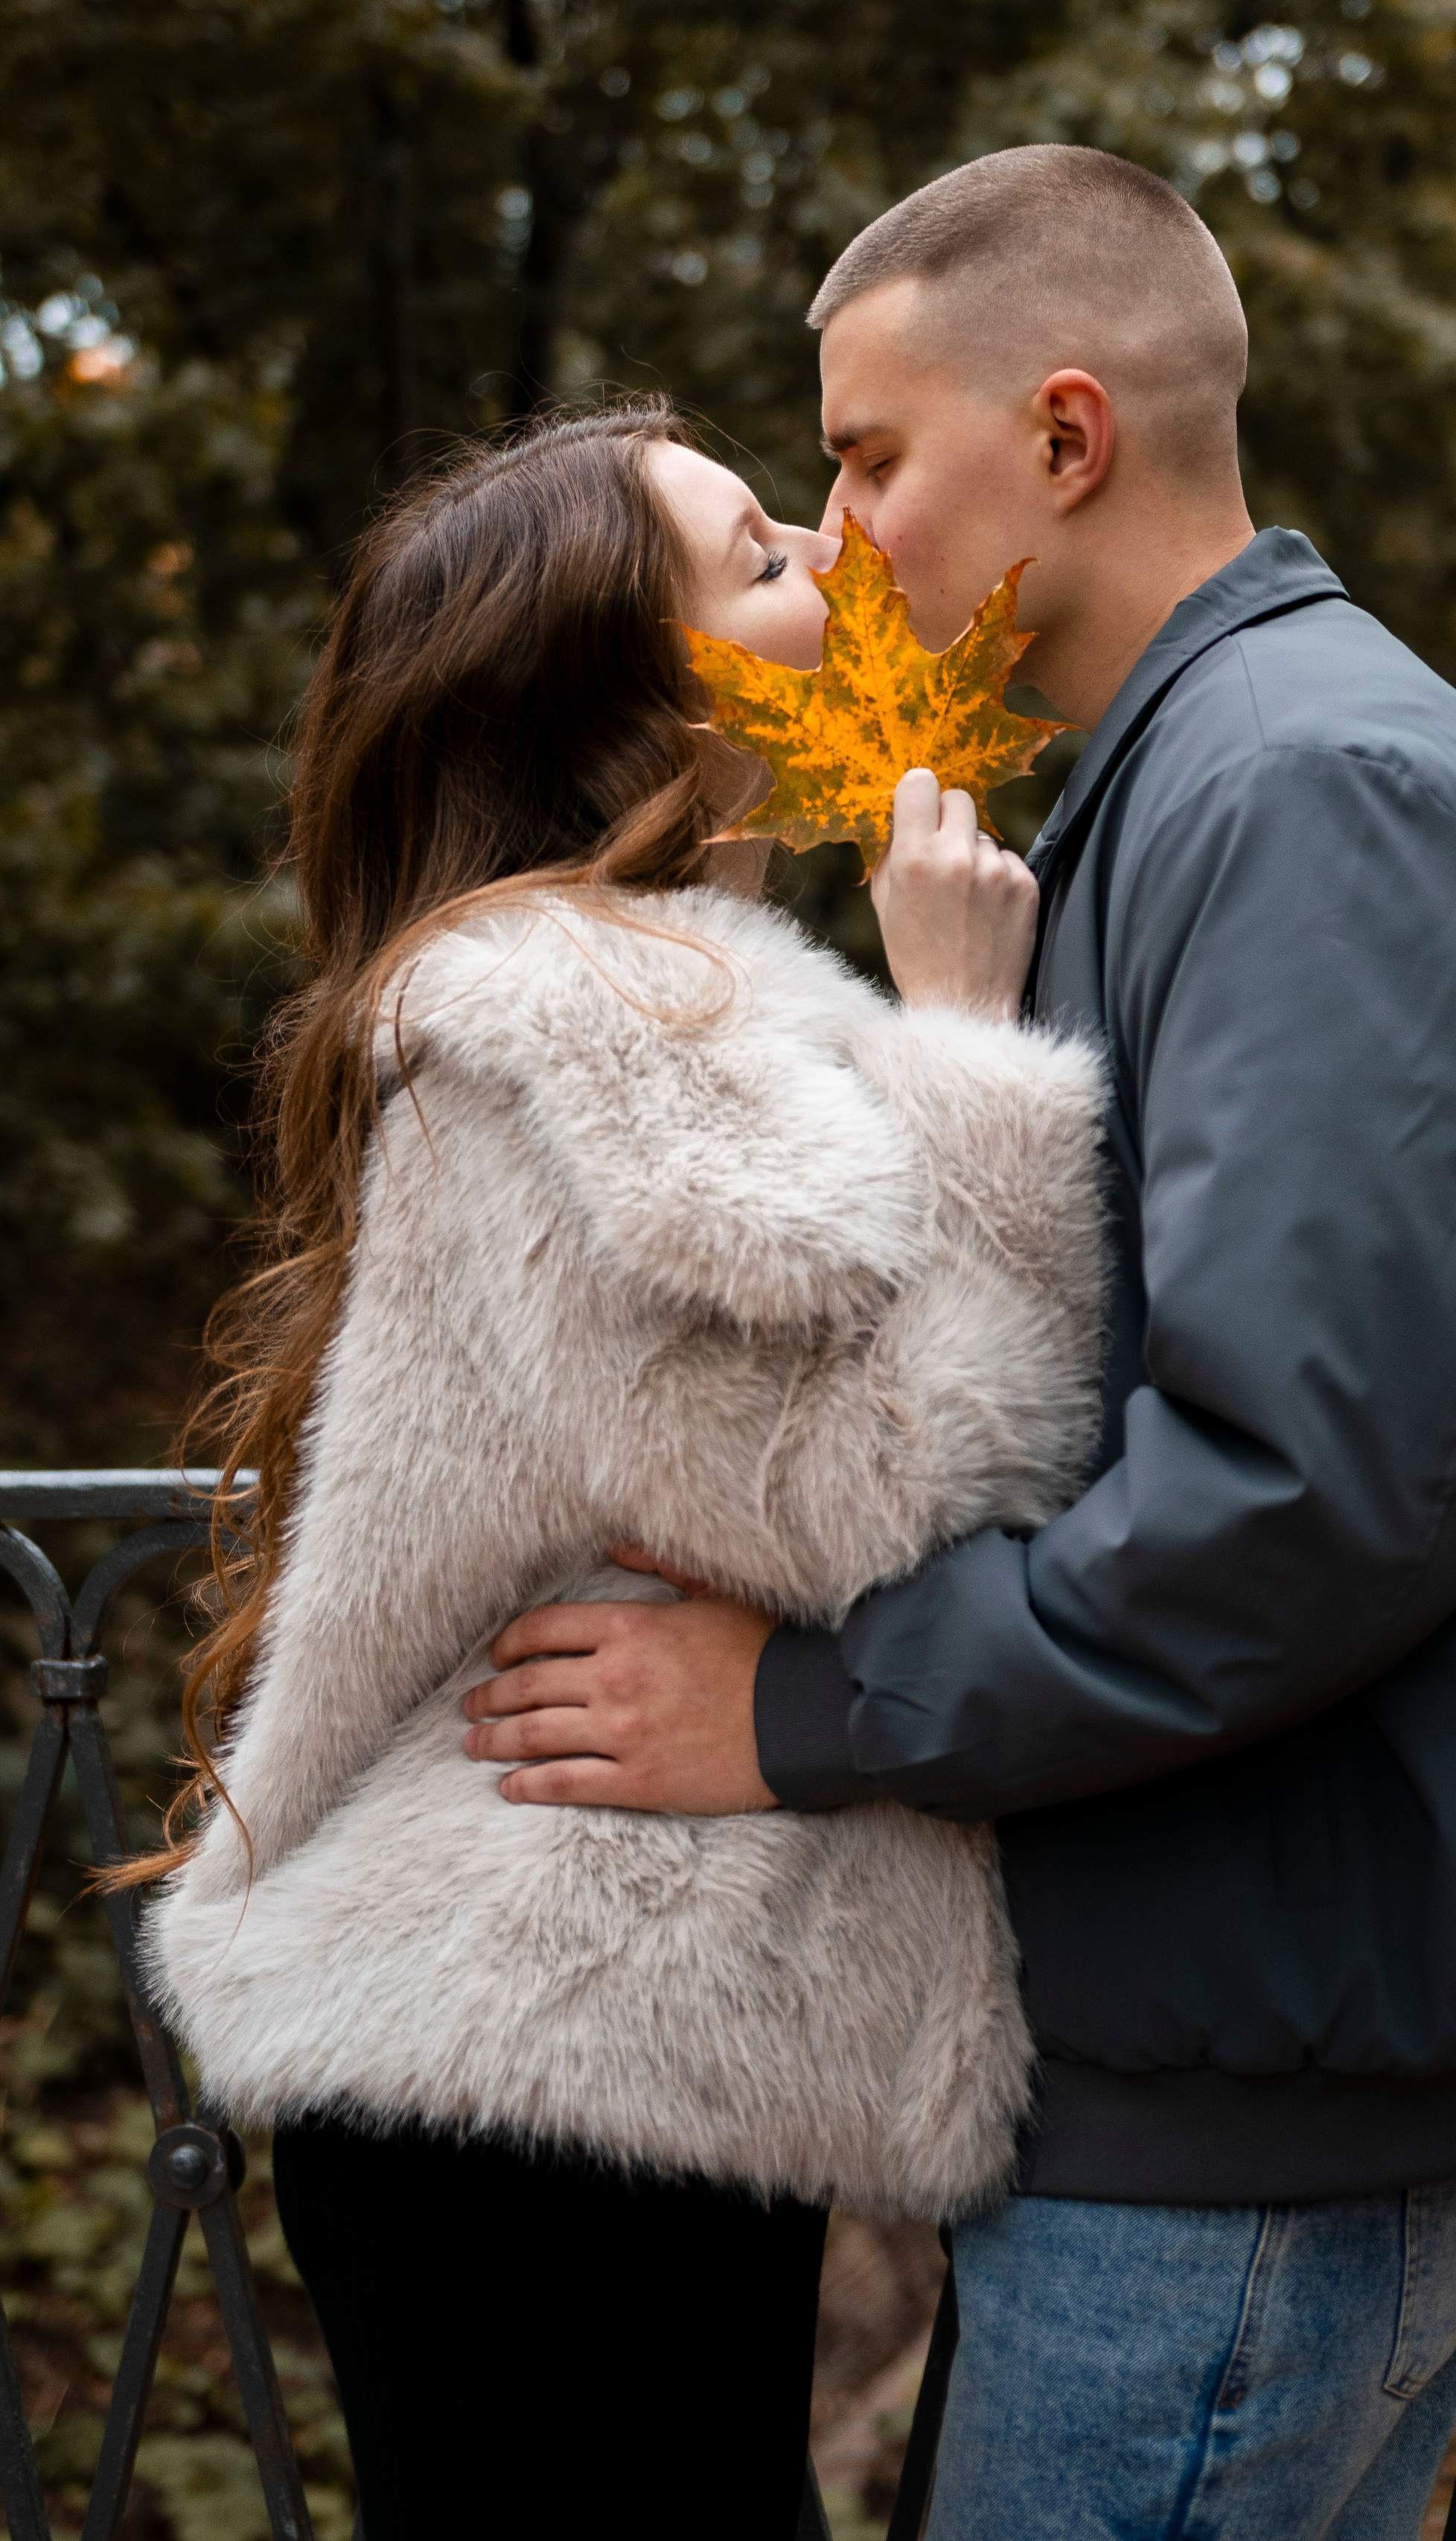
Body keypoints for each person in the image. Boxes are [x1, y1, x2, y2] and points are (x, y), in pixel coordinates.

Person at [485, 148, 1456, 2537]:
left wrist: (797, 1708)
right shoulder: (1214, 773)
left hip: (1255, 2100)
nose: (840, 544)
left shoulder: (1305, 795)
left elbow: (1305, 1492)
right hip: (1258, 2038)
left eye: (868, 459)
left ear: (1066, 438)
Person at [132, 401, 1108, 2538]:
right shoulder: (591, 1020)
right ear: (629, 692)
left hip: (584, 2032)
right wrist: (967, 1046)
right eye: (759, 556)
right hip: (544, 2051)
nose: (834, 573)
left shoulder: (625, 995)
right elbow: (880, 1491)